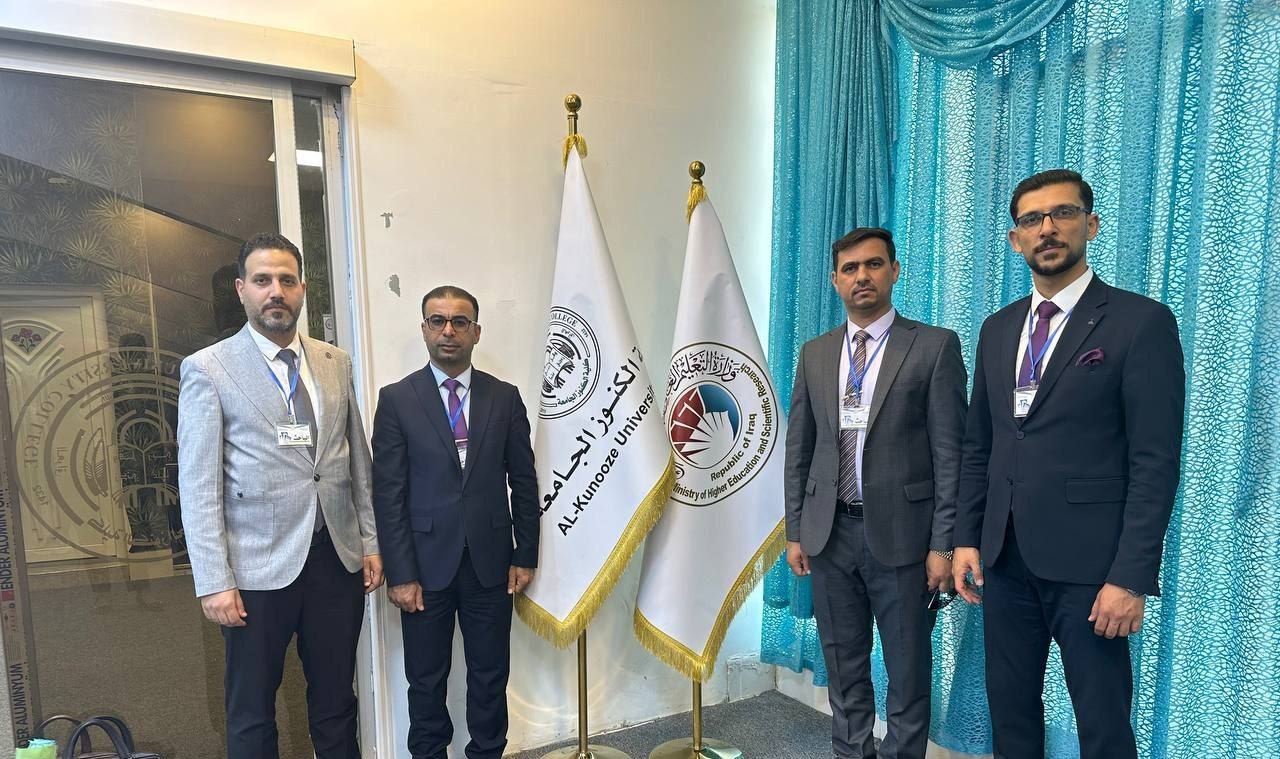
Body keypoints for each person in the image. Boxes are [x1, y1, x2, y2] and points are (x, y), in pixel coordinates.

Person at [952, 169, 1185, 759]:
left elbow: (1155, 462)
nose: (1047, 229)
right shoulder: (998, 329)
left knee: (1103, 729)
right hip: (1004, 558)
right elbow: (980, 445)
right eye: (1032, 219)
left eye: (1063, 213)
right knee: (1011, 719)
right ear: (1016, 240)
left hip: (1092, 568)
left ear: (1091, 224)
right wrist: (966, 538)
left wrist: (1130, 577)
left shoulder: (1140, 323)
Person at [178, 232, 383, 759]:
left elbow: (356, 462)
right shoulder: (209, 369)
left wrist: (370, 542)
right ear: (241, 289)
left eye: (287, 281)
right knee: (251, 711)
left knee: (337, 702)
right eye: (263, 280)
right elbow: (198, 486)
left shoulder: (335, 361)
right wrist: (214, 580)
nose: (276, 292)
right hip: (255, 571)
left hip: (334, 561)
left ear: (302, 289)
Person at [785, 228, 968, 759]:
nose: (861, 276)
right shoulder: (816, 353)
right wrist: (796, 530)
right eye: (850, 268)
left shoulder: (933, 347)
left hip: (905, 539)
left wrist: (943, 544)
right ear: (835, 280)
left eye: (872, 264)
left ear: (894, 271)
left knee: (908, 670)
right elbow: (800, 448)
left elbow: (950, 456)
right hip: (828, 534)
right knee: (843, 665)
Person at [371, 285, 539, 759]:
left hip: (492, 565)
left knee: (490, 677)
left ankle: (487, 752)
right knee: (426, 681)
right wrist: (400, 573)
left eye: (459, 322)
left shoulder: (504, 398)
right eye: (438, 321)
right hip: (424, 569)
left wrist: (525, 553)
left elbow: (524, 482)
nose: (449, 330)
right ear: (424, 329)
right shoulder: (397, 399)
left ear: (476, 332)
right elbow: (388, 493)